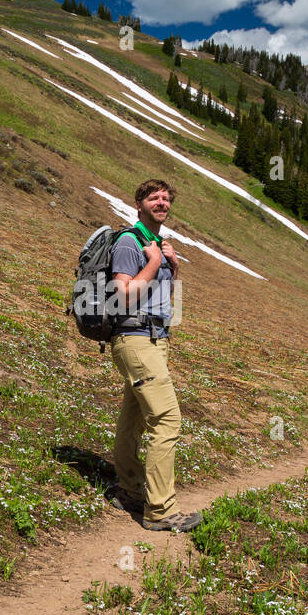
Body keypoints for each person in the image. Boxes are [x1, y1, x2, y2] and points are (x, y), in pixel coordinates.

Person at [107, 179, 202, 532]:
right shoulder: (130, 243)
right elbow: (124, 296)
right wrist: (155, 262)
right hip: (134, 339)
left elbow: (168, 304)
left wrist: (171, 266)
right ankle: (160, 509)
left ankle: (131, 490)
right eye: (153, 198)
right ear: (139, 204)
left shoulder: (156, 244)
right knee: (167, 420)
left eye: (165, 198)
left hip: (155, 338)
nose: (161, 202)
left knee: (132, 419)